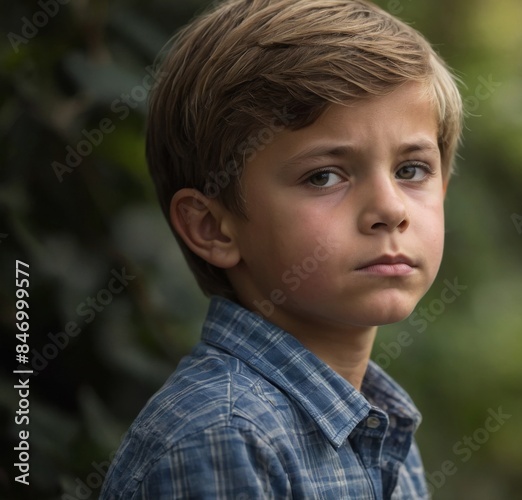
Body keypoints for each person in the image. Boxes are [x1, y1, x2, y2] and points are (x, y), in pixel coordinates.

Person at [100, 0, 462, 497]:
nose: (390, 208)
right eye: (324, 176)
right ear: (213, 228)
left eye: (411, 170)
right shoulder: (224, 438)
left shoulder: (380, 427)